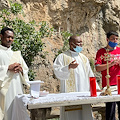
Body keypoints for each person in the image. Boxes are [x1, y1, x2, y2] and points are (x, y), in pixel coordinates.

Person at [53, 35, 100, 120]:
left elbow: (90, 74)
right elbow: (57, 71)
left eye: (81, 42)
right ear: (71, 44)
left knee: (85, 115)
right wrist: (68, 67)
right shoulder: (62, 57)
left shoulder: (84, 58)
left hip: (83, 92)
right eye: (78, 42)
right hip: (70, 96)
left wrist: (95, 87)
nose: (81, 44)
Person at [0, 27, 30, 120]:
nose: (10, 40)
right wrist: (8, 68)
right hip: (4, 89)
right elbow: (7, 69)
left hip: (17, 87)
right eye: (8, 37)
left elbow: (25, 70)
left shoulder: (16, 54)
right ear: (1, 36)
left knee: (18, 111)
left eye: (12, 38)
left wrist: (21, 70)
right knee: (7, 112)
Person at [95, 31, 120, 120]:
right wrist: (111, 64)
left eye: (116, 39)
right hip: (108, 85)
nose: (115, 40)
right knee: (110, 111)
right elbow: (97, 68)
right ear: (107, 39)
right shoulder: (101, 52)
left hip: (119, 84)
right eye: (113, 38)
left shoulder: (119, 50)